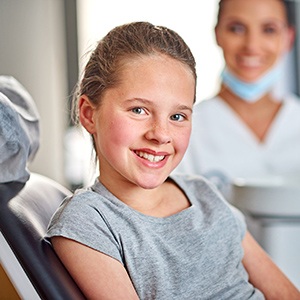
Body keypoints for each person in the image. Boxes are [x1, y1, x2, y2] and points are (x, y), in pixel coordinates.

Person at [46, 22, 299, 299]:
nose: (161, 134)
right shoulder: (89, 221)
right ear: (88, 113)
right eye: (139, 110)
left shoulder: (203, 193)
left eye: (177, 116)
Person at [175, 0, 300, 198]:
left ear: (289, 38)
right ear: (218, 34)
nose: (251, 45)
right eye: (236, 28)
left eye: (269, 29)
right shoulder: (185, 128)